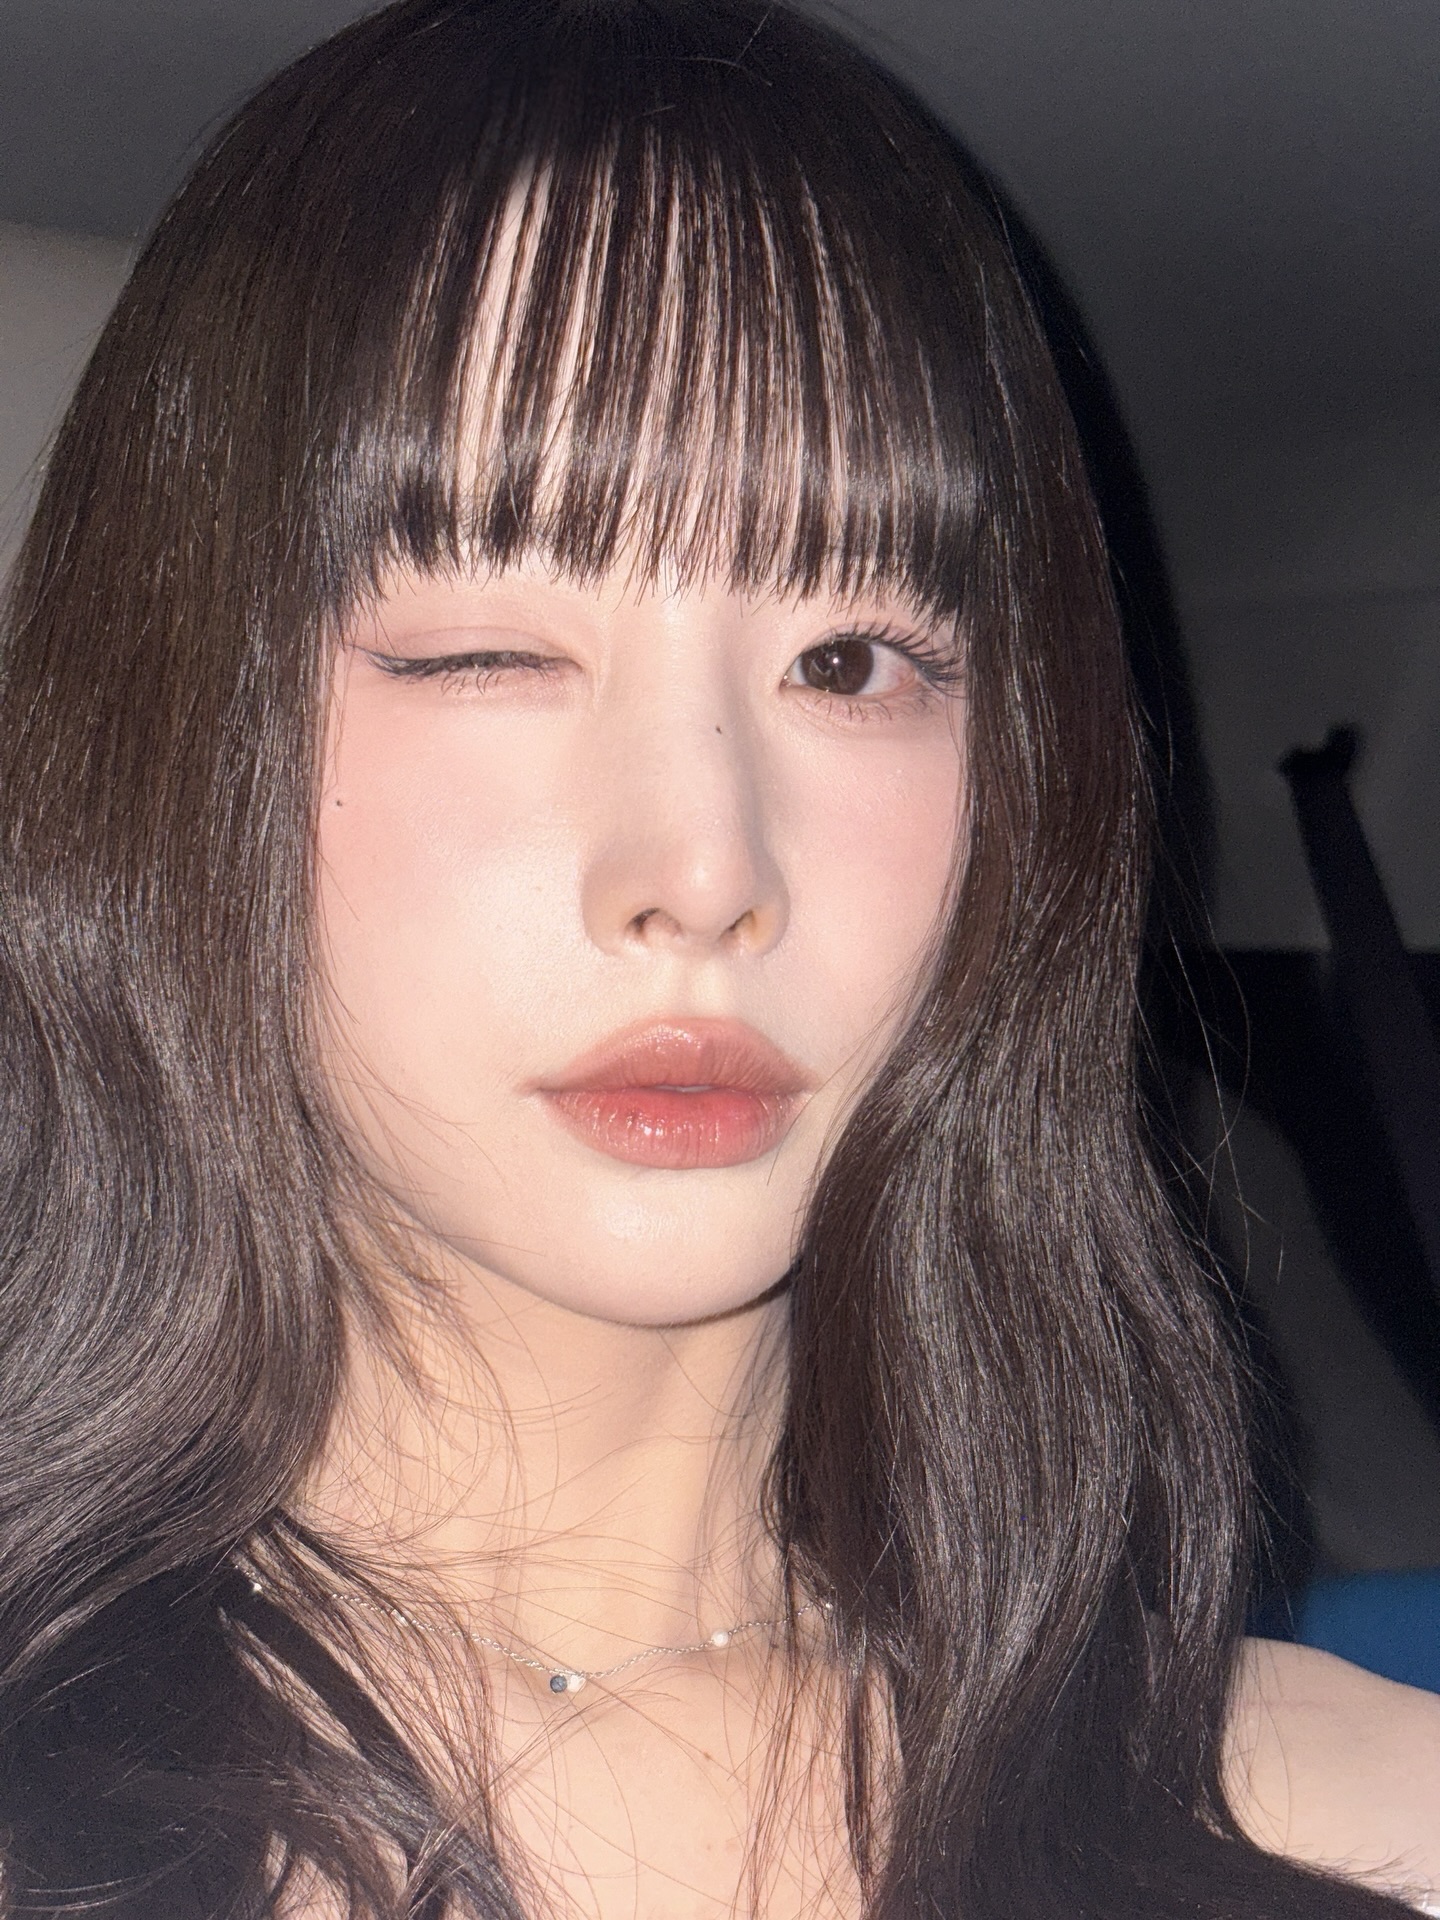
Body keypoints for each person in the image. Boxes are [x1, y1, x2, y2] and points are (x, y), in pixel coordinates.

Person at [0, 1, 1435, 1914]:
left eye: (850, 662)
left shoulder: (1352, 1808)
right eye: (483, 651)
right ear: (174, 743)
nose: (705, 872)